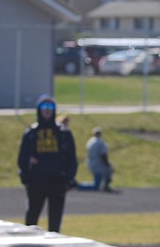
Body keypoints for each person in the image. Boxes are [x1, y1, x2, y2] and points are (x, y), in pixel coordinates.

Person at [17, 95, 78, 233]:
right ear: (39, 109)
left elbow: (72, 158)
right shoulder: (31, 133)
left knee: (55, 223)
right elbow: (22, 159)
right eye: (44, 107)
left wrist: (68, 179)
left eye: (50, 107)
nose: (47, 110)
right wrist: (26, 178)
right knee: (31, 220)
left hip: (57, 182)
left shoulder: (63, 133)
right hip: (36, 183)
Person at [85, 126, 116, 192]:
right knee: (109, 171)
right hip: (98, 164)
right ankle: (105, 186)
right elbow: (103, 155)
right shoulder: (100, 143)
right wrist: (107, 164)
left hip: (91, 162)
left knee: (97, 182)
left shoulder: (90, 141)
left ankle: (103, 186)